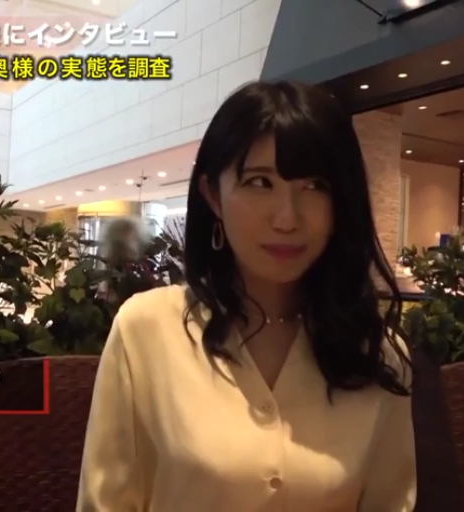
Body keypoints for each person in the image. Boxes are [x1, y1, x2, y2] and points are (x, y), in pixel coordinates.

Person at [77, 81, 416, 512]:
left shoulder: (376, 354)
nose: (287, 218)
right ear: (213, 196)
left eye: (316, 186)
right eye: (260, 182)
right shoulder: (146, 331)